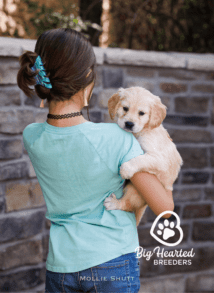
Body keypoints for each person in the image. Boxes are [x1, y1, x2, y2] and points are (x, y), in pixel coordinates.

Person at [17, 28, 174, 293]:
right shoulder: (115, 137)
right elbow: (164, 207)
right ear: (88, 79)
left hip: (60, 269)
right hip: (112, 265)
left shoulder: (32, 137)